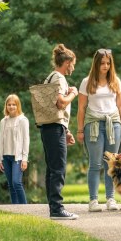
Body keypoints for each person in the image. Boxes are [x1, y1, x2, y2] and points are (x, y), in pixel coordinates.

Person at [76, 48, 121, 212]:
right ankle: (93, 200)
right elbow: (81, 108)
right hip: (93, 125)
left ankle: (110, 199)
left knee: (112, 163)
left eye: (108, 63)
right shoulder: (87, 82)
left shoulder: (116, 81)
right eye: (102, 63)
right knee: (95, 164)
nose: (105, 66)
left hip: (113, 124)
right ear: (96, 63)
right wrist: (80, 130)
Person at [40, 44, 80, 220]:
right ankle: (57, 208)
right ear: (67, 62)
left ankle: (53, 208)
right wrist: (74, 93)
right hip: (54, 128)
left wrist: (66, 130)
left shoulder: (50, 77)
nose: (73, 67)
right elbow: (60, 103)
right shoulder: (59, 79)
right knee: (58, 169)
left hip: (51, 127)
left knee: (52, 168)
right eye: (73, 64)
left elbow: (53, 111)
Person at [0, 94, 29, 204]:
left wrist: (25, 159)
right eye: (9, 104)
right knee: (11, 184)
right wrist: (0, 159)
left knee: (16, 182)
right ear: (6, 106)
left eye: (14, 104)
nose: (11, 107)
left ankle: (25, 208)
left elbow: (26, 140)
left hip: (18, 157)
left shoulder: (23, 120)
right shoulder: (3, 121)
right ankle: (15, 209)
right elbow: (1, 140)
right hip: (5, 157)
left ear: (18, 106)